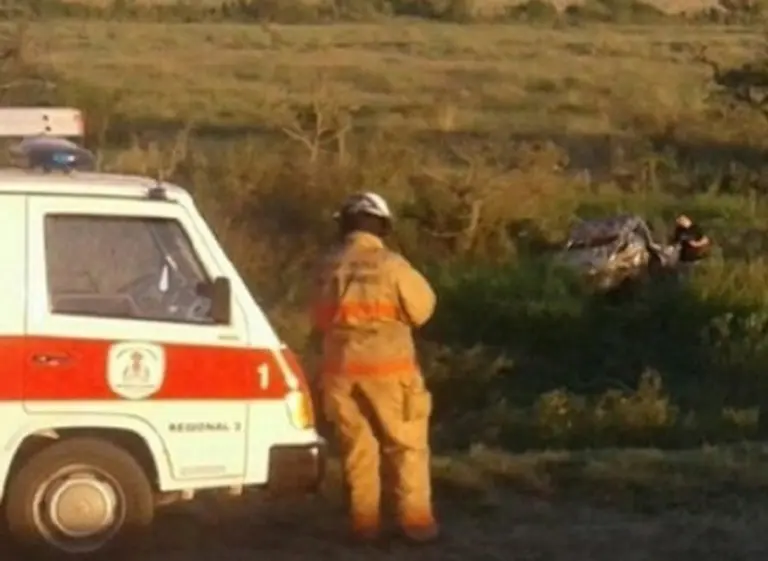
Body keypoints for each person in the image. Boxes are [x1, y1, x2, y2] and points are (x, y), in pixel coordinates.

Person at [309, 192, 439, 546]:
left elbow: (317, 319)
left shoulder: (325, 266)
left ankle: (362, 527)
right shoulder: (391, 265)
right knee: (406, 447)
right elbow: (423, 309)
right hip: (390, 373)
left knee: (356, 451)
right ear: (382, 225)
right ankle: (416, 528)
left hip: (339, 374)